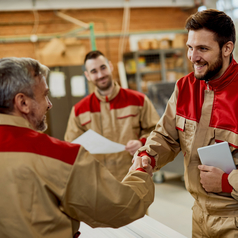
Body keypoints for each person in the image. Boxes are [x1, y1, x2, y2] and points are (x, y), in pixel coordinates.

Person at [0, 57, 154, 238]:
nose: (49, 104)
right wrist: (141, 172)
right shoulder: (59, 156)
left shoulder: (138, 100)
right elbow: (123, 206)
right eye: (44, 95)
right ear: (23, 103)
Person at [136, 9, 238, 237]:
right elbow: (166, 136)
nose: (192, 57)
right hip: (199, 216)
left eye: (202, 48)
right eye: (190, 48)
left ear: (227, 48)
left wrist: (226, 182)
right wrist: (149, 156)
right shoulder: (185, 87)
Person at [64, 50, 160, 181]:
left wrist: (141, 142)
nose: (100, 75)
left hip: (134, 177)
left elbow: (157, 132)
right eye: (94, 71)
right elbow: (71, 147)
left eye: (103, 68)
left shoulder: (138, 100)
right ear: (87, 76)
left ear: (110, 66)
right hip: (98, 182)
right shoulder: (79, 110)